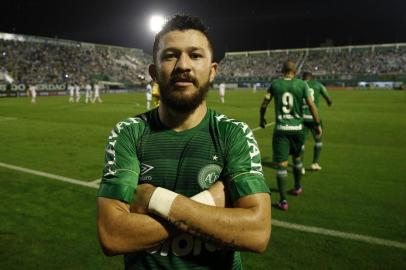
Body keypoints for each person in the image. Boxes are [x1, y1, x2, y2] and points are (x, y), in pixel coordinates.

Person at [97, 15, 271, 270]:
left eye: (195, 55)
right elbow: (113, 235)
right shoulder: (129, 133)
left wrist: (155, 199)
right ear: (154, 73)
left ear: (212, 71)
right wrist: (211, 202)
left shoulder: (234, 133)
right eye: (170, 55)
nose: (183, 65)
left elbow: (256, 233)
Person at [259, 61, 321, 211]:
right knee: (297, 158)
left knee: (282, 165)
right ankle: (298, 187)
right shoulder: (301, 84)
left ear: (282, 70)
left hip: (281, 129)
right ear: (295, 72)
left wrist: (262, 118)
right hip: (298, 129)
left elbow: (264, 103)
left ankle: (283, 201)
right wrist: (317, 123)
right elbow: (312, 105)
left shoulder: (275, 84)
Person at [300, 71, 332, 173]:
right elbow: (328, 98)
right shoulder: (318, 85)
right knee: (318, 140)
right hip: (314, 118)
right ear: (312, 78)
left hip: (301, 118)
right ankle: (314, 163)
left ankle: (300, 167)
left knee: (301, 143)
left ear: (303, 78)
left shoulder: (298, 84)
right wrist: (329, 102)